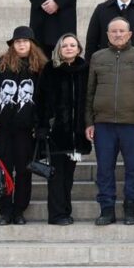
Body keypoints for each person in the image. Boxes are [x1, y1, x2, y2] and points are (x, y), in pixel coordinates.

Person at [85, 18, 134, 226]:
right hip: (103, 124)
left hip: (133, 123)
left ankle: (131, 207)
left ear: (130, 34)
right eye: (114, 31)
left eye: (122, 31)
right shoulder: (97, 57)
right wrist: (89, 122)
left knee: (133, 168)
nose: (118, 34)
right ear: (107, 35)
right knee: (104, 169)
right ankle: (107, 209)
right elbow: (89, 91)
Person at [0, 28, 45, 226]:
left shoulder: (40, 67)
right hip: (2, 129)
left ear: (32, 44)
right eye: (18, 41)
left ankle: (19, 210)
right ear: (13, 44)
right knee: (3, 170)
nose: (21, 44)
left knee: (23, 172)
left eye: (25, 41)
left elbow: (44, 100)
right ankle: (5, 211)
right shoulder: (1, 65)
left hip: (26, 131)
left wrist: (40, 125)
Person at [36, 34, 90, 224]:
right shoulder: (50, 69)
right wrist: (43, 126)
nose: (68, 48)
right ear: (59, 49)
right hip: (55, 133)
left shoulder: (85, 69)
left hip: (76, 133)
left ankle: (65, 211)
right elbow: (41, 100)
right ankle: (56, 214)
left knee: (68, 177)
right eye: (64, 45)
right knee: (56, 176)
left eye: (72, 45)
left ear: (79, 49)